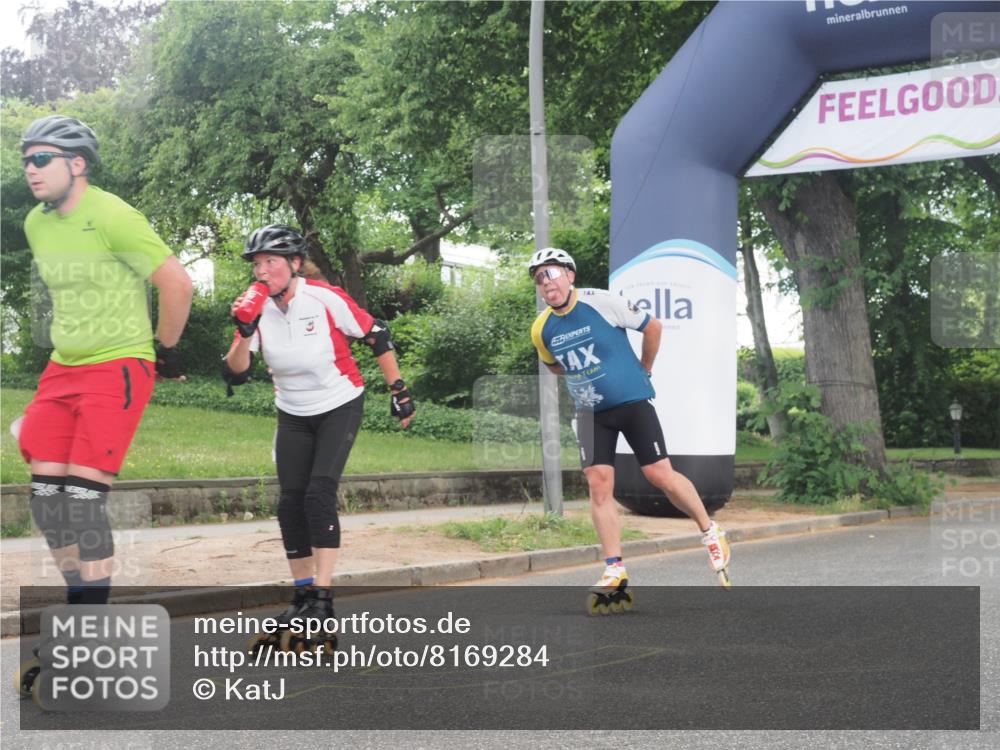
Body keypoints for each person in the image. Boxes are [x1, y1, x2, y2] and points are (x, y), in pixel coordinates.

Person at [17, 115, 193, 610]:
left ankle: (87, 623)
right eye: (27, 160)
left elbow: (177, 283)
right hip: (63, 367)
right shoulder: (36, 224)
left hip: (117, 366)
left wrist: (166, 348)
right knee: (48, 502)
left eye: (42, 159)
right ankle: (84, 598)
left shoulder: (113, 215)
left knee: (82, 501)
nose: (31, 168)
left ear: (77, 164)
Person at [225, 225, 414, 647]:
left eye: (271, 261)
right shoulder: (257, 308)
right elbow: (236, 371)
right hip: (292, 410)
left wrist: (399, 391)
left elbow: (376, 334)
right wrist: (243, 329)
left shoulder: (323, 297)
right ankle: (303, 595)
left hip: (339, 402)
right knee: (289, 503)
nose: (263, 271)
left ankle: (324, 600)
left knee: (318, 494)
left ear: (294, 264)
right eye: (257, 263)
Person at [528, 247, 732, 607]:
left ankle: (710, 530)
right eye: (540, 277)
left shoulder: (601, 302)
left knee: (659, 475)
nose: (547, 283)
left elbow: (652, 326)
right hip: (591, 412)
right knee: (598, 483)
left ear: (570, 276)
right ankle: (614, 570)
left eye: (553, 273)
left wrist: (644, 367)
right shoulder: (541, 328)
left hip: (632, 402)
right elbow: (554, 366)